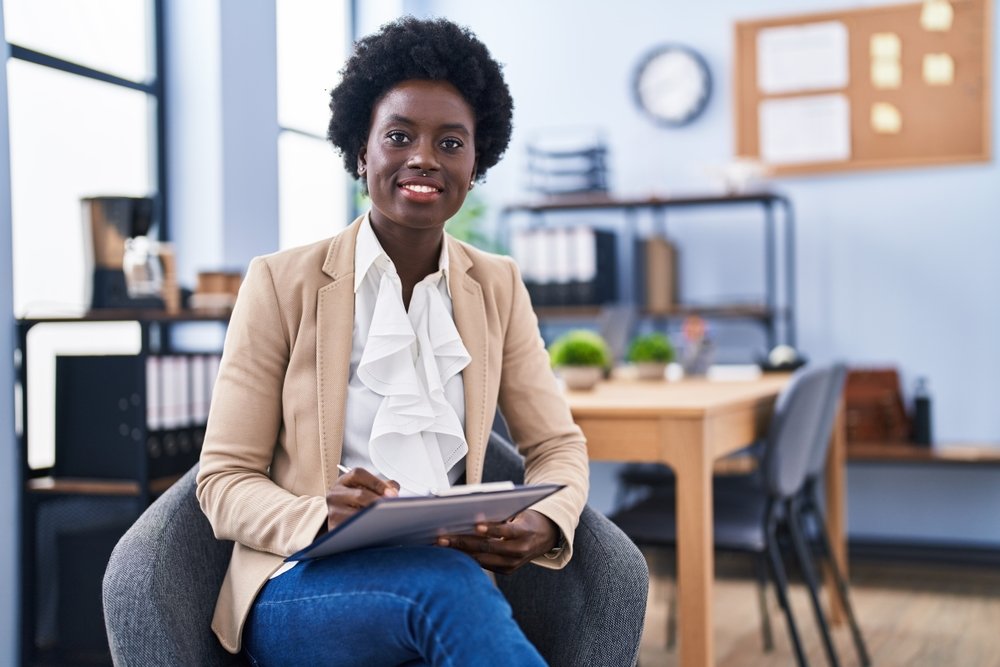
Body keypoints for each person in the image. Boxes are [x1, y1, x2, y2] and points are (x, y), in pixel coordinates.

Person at [196, 16, 589, 666]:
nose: (424, 158)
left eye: (451, 142)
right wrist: (320, 513)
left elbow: (556, 445)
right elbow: (223, 480)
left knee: (446, 587)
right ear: (361, 150)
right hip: (301, 589)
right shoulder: (279, 283)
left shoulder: (497, 285)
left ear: (476, 160)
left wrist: (544, 521)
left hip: (446, 575)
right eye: (399, 135)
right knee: (446, 590)